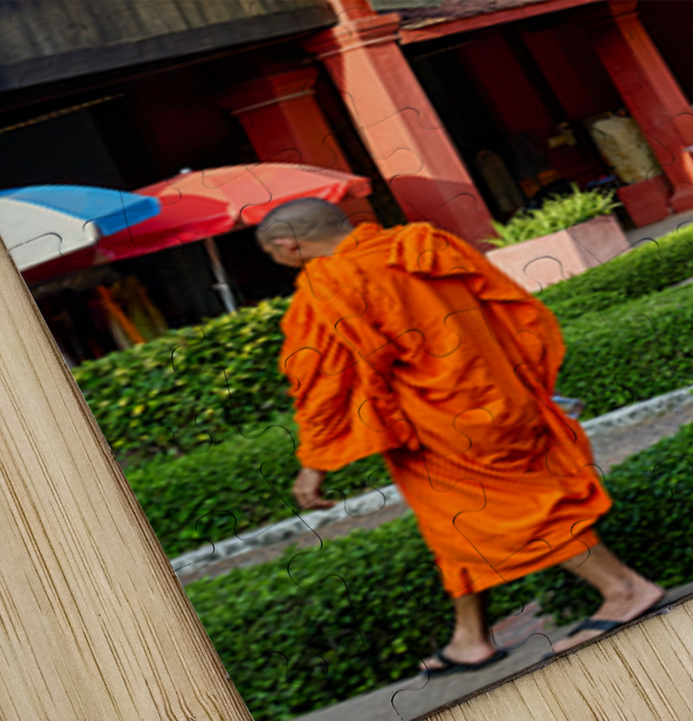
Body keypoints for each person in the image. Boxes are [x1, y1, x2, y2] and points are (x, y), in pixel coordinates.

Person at [257, 198, 665, 674]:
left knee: (514, 514)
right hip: (502, 392)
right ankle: (469, 638)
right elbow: (512, 308)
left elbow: (328, 382)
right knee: (453, 523)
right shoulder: (423, 242)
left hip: (441, 425)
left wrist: (315, 463)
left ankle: (624, 588)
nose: (281, 264)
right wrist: (527, 382)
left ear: (288, 245)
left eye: (276, 256)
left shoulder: (329, 283)